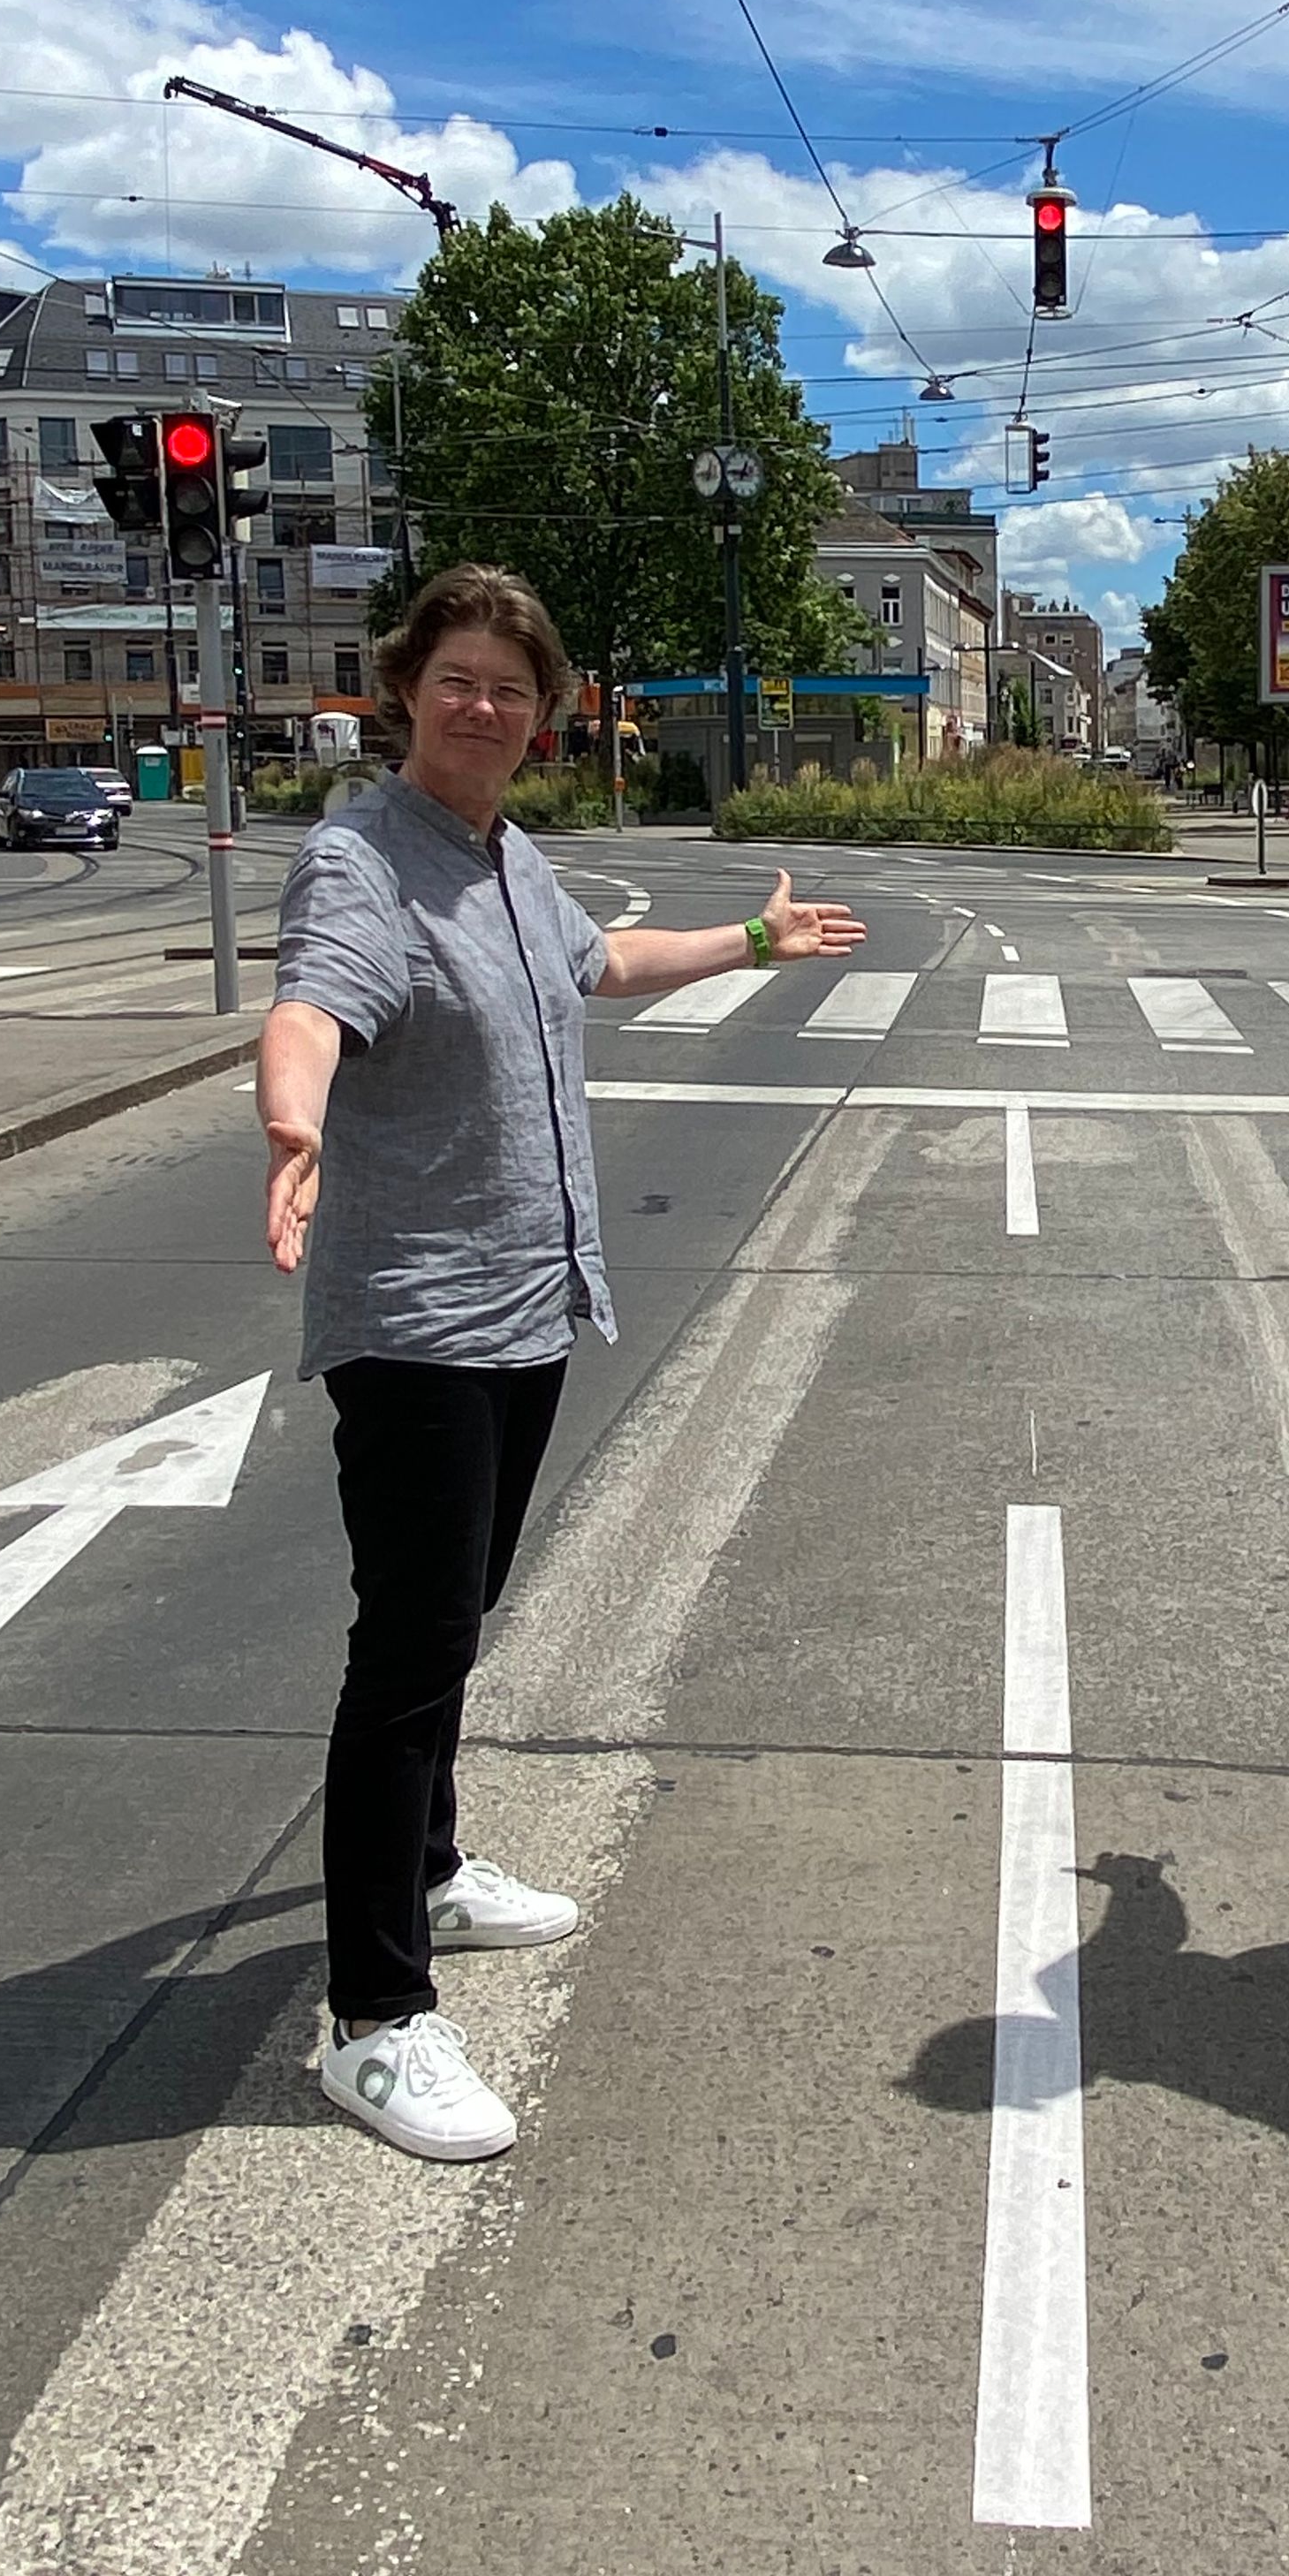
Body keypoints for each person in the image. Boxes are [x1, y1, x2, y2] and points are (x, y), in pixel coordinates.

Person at [260, 563, 866, 2162]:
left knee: (452, 1628)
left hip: (526, 1305)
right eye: (461, 678)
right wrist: (293, 1120)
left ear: (548, 713)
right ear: (408, 687)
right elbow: (314, 1006)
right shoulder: (362, 863)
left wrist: (752, 936)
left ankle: (436, 1875)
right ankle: (374, 2021)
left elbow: (607, 966)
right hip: (418, 1321)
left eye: (515, 690)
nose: (487, 709)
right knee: (405, 1657)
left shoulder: (510, 860)